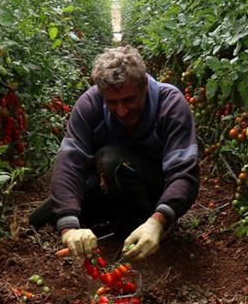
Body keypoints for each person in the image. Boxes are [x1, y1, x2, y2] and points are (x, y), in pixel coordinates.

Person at [29, 46, 199, 262]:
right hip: (109, 187)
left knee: (111, 160)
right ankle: (121, 217)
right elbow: (70, 162)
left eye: (128, 100)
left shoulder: (170, 104)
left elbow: (185, 173)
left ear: (144, 86)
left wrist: (158, 220)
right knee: (42, 220)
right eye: (112, 102)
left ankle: (148, 229)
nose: (121, 111)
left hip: (154, 190)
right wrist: (69, 228)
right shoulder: (89, 105)